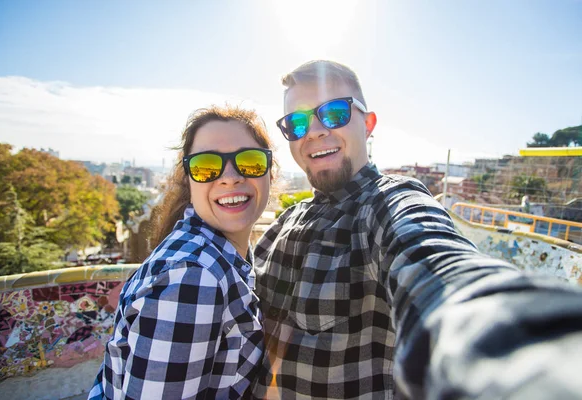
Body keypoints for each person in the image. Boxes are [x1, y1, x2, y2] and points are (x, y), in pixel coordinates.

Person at [250, 60, 582, 399]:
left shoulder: (386, 202)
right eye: (297, 122)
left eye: (334, 113)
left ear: (368, 124)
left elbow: (435, 262)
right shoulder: (283, 223)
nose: (315, 130)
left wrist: (518, 348)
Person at [89, 105, 274, 399]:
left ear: (269, 174)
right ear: (188, 181)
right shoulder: (192, 276)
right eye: (206, 166)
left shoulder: (220, 255)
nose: (230, 177)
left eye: (250, 161)